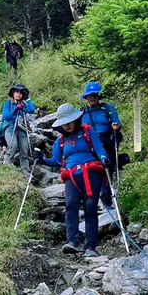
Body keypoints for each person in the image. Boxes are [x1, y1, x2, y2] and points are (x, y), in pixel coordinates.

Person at [35, 103, 110, 258]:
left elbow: (99, 149)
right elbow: (55, 161)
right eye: (64, 123)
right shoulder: (60, 142)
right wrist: (41, 159)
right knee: (70, 206)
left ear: (76, 119)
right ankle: (72, 242)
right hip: (71, 177)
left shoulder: (88, 132)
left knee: (90, 209)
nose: (67, 125)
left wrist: (104, 158)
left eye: (70, 121)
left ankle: (90, 247)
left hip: (91, 174)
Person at [79, 81, 123, 175]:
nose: (93, 97)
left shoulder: (108, 108)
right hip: (89, 141)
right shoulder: (81, 112)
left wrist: (116, 126)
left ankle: (109, 178)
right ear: (86, 97)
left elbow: (117, 122)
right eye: (90, 95)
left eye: (95, 94)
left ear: (99, 95)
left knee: (109, 158)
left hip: (106, 139)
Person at [1, 84, 36, 173]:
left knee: (24, 149)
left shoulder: (24, 104)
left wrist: (27, 99)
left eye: (21, 92)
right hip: (10, 128)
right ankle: (7, 168)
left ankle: (26, 172)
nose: (19, 94)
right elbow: (6, 116)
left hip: (22, 129)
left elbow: (31, 109)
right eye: (17, 92)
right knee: (13, 146)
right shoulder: (7, 104)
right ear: (13, 93)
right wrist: (16, 109)